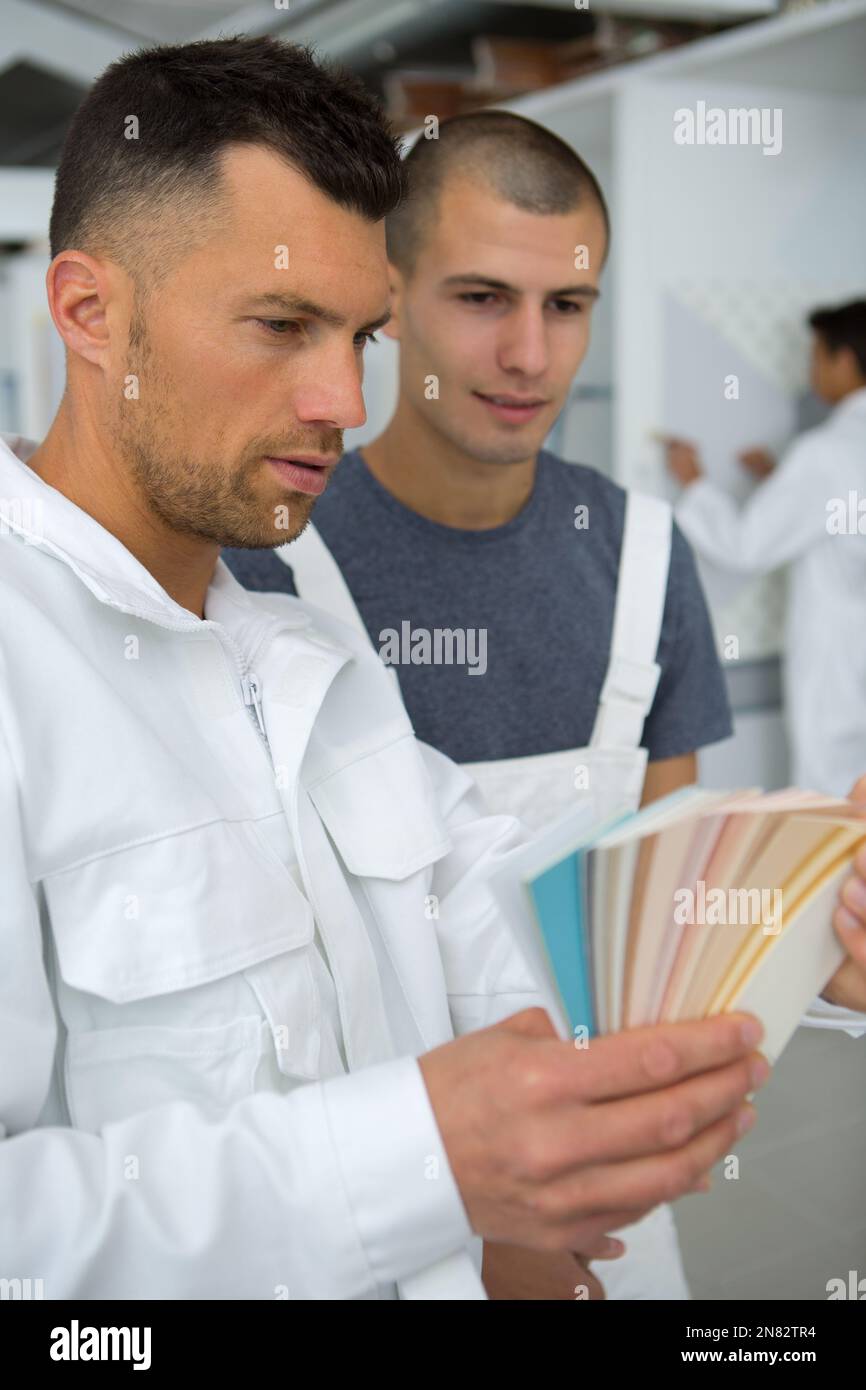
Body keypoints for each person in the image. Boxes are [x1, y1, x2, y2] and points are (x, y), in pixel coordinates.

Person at [0, 34, 783, 1303]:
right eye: (278, 324)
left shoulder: (302, 658)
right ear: (92, 312)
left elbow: (503, 947)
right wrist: (433, 1165)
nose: (342, 404)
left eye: (356, 336)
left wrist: (792, 928)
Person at [224, 110, 733, 1298]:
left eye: (566, 305)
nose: (528, 356)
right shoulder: (263, 562)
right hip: (355, 1197)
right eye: (480, 298)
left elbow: (663, 913)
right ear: (387, 297)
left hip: (601, 1180)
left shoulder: (645, 556)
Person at [665, 300, 866, 797]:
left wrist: (694, 484)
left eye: (816, 355)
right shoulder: (838, 454)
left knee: (831, 801)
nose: (810, 368)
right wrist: (780, 480)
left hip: (839, 663)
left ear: (843, 361)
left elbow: (744, 546)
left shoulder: (826, 454)